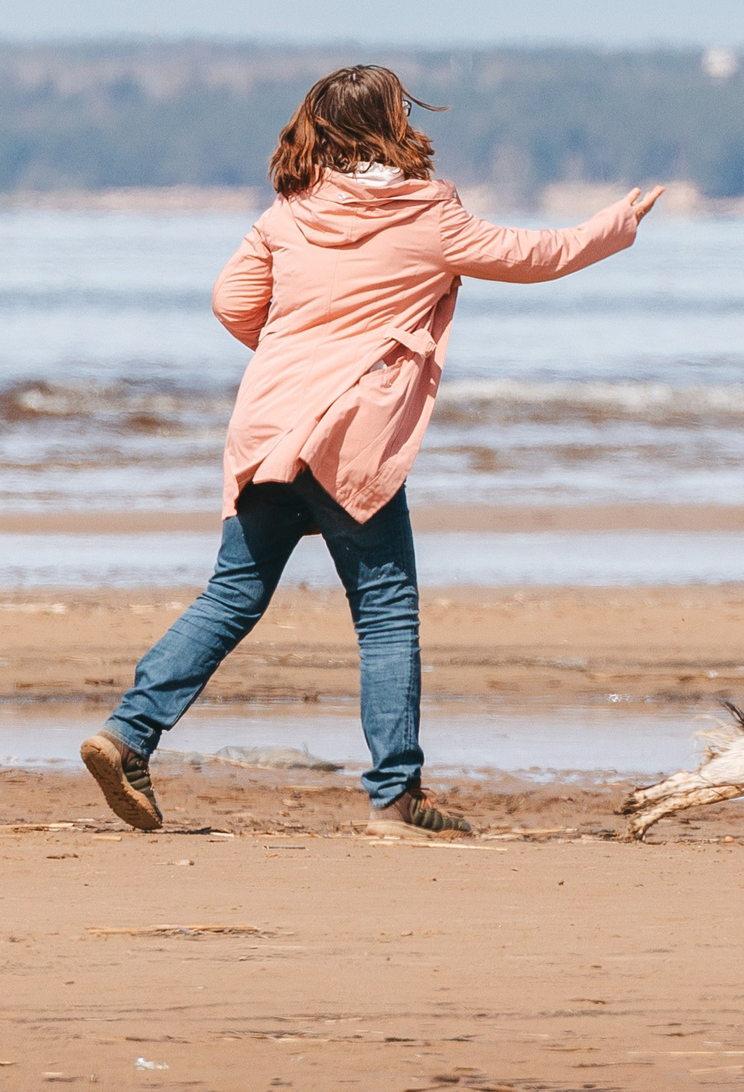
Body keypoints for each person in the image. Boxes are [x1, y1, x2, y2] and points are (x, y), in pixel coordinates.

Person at [80, 64, 663, 835]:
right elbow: (534, 255)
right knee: (386, 614)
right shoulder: (427, 213)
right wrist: (614, 225)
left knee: (231, 595)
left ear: (318, 127)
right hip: (350, 438)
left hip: (269, 429)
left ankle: (128, 732)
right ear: (393, 123)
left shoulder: (287, 215)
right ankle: (394, 797)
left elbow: (230, 303)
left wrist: (294, 352)